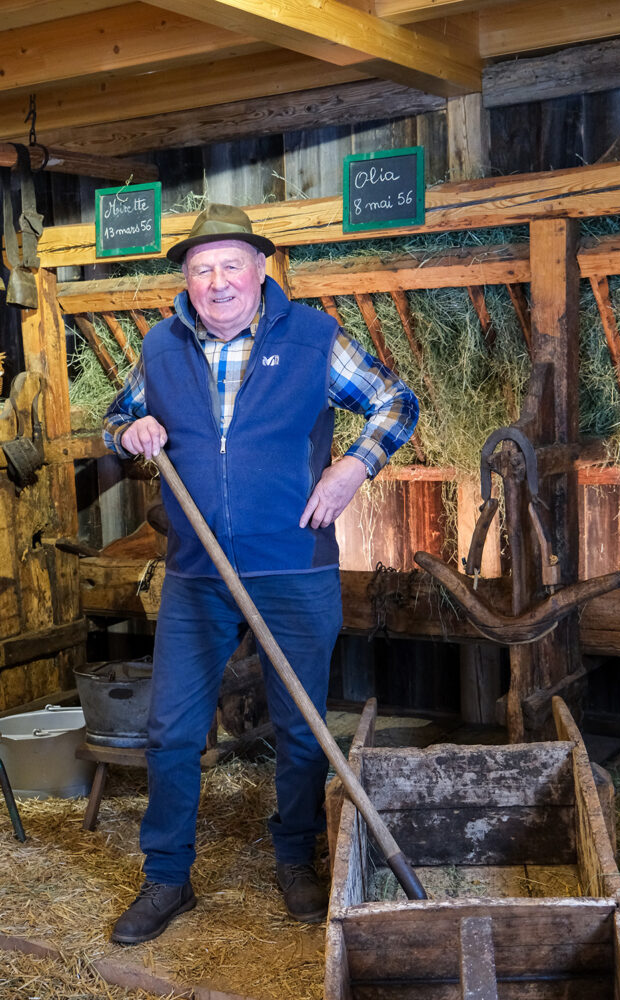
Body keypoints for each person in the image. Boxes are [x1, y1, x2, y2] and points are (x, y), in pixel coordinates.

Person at [103, 204, 418, 944]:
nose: (216, 283)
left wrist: (352, 466)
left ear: (260, 268)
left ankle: (295, 857)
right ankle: (166, 877)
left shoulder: (310, 339)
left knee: (302, 727)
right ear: (185, 277)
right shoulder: (160, 345)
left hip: (292, 565)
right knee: (171, 730)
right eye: (201, 268)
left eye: (230, 266)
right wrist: (129, 430)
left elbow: (393, 402)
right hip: (195, 572)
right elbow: (117, 420)